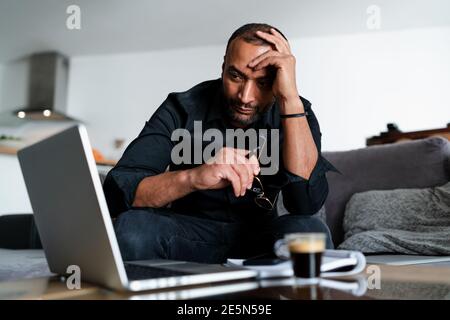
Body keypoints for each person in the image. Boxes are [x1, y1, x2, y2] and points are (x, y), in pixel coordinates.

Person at [103, 23, 337, 263]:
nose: (245, 97)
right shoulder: (182, 108)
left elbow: (305, 203)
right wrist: (193, 177)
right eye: (236, 76)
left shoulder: (295, 110)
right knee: (131, 229)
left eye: (263, 82)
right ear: (223, 65)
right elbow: (118, 191)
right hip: (185, 234)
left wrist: (290, 98)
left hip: (260, 238)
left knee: (312, 232)